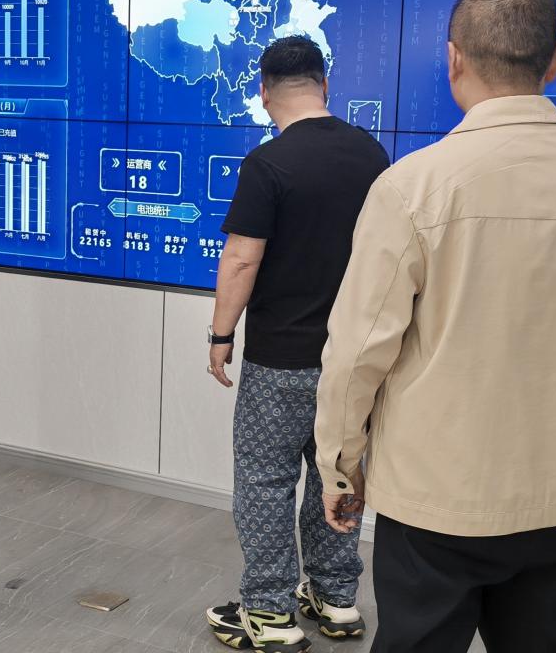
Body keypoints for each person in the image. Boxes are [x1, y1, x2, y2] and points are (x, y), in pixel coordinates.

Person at [314, 0, 556, 652]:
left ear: (454, 60)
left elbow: (358, 351)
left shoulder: (411, 187)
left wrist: (340, 464)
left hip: (434, 498)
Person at [203, 35, 389, 652]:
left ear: (264, 93)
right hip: (354, 362)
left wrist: (221, 334)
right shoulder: (372, 154)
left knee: (265, 482)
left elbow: (241, 259)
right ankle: (336, 599)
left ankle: (269, 613)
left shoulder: (268, 163)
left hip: (281, 360)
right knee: (339, 473)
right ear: (324, 84)